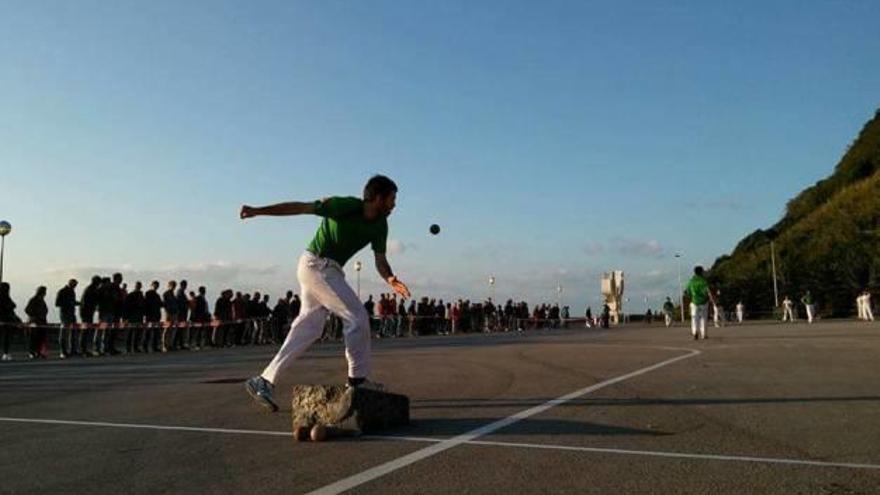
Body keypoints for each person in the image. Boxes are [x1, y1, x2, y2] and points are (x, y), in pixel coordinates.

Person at [241, 175, 410, 412]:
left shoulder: (380, 224)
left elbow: (380, 260)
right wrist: (259, 211)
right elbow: (300, 207)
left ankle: (264, 381)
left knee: (309, 327)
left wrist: (391, 278)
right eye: (392, 199)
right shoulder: (344, 206)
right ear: (378, 198)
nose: (394, 205)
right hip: (316, 264)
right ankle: (357, 382)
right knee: (357, 317)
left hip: (331, 270)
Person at [685, 266, 715, 340]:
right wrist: (712, 299)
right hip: (704, 302)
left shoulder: (691, 281)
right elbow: (708, 291)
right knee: (703, 318)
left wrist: (691, 297)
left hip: (694, 302)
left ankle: (695, 332)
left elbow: (687, 291)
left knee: (694, 318)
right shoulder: (703, 281)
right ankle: (704, 334)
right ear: (701, 272)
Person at [55, 279, 78, 358]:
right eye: (74, 285)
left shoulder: (72, 292)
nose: (75, 287)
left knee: (73, 333)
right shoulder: (62, 291)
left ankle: (73, 350)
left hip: (72, 314)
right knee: (64, 333)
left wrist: (77, 303)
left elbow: (73, 302)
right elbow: (57, 303)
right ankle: (63, 351)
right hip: (65, 314)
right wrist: (69, 303)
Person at [79, 275, 101, 356]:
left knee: (86, 331)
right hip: (86, 313)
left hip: (88, 312)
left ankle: (84, 349)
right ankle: (83, 349)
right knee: (85, 331)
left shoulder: (91, 289)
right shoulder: (90, 290)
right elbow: (86, 302)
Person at [25, 286, 49, 359]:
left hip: (42, 322)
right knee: (33, 338)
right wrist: (35, 316)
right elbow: (27, 310)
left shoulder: (42, 300)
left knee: (41, 338)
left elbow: (45, 310)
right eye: (44, 292)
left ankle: (38, 352)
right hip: (35, 322)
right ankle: (32, 352)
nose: (45, 293)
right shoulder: (33, 299)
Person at [1, 283, 21, 361]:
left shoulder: (6, 297)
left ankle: (6, 353)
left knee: (6, 337)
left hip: (6, 319)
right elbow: (11, 306)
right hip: (5, 319)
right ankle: (5, 353)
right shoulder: (5, 297)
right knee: (6, 337)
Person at [143, 281, 163, 352]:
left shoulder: (157, 295)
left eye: (157, 285)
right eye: (155, 285)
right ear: (151, 285)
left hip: (156, 315)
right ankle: (145, 347)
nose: (156, 287)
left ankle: (154, 347)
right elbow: (145, 304)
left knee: (155, 332)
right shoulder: (148, 293)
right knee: (148, 332)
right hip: (150, 315)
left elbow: (160, 304)